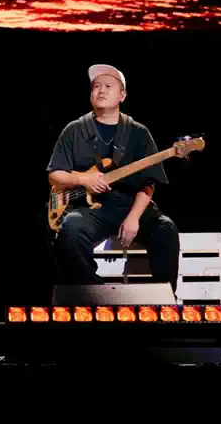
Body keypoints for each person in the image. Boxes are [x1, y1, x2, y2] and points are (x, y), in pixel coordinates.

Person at [47, 64, 180, 293]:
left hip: (131, 203)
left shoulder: (138, 132)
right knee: (70, 228)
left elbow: (148, 184)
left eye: (108, 86)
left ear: (122, 95)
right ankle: (95, 295)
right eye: (96, 86)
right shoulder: (74, 130)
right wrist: (83, 180)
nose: (101, 90)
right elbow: (55, 175)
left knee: (165, 228)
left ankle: (164, 297)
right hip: (92, 209)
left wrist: (134, 218)